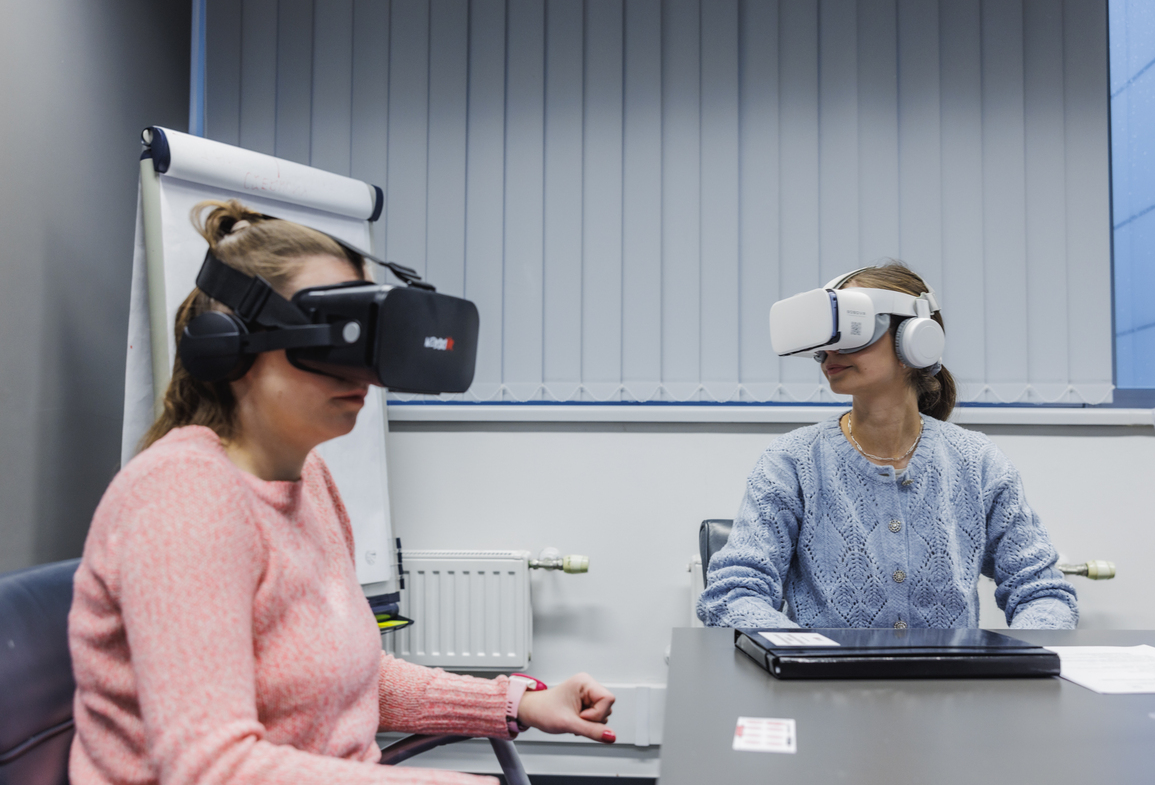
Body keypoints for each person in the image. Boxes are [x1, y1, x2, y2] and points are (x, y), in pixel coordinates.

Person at [68, 200, 615, 785]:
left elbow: (348, 676)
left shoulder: (310, 482)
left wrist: (515, 702)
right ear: (228, 347)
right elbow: (211, 768)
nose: (360, 373)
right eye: (334, 341)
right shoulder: (183, 499)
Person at [697, 261, 1077, 631]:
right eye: (827, 337)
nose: (830, 351)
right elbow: (734, 593)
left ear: (914, 339)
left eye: (852, 332)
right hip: (822, 688)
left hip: (950, 690)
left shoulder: (978, 463)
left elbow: (1042, 592)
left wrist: (1023, 663)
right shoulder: (792, 462)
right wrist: (807, 660)